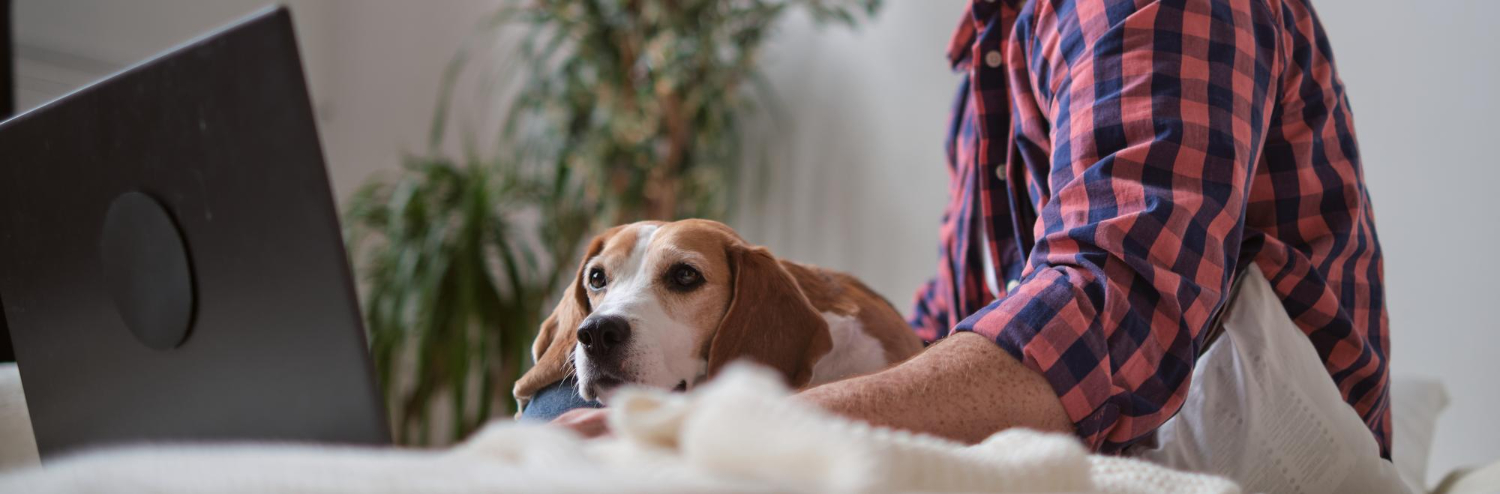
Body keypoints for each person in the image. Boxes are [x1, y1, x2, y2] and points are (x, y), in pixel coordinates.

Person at [555, 0, 1390, 460]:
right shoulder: (999, 41)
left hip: (1252, 454)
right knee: (560, 407)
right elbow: (956, 324)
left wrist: (749, 423)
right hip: (1106, 436)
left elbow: (1108, 306)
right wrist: (809, 311)